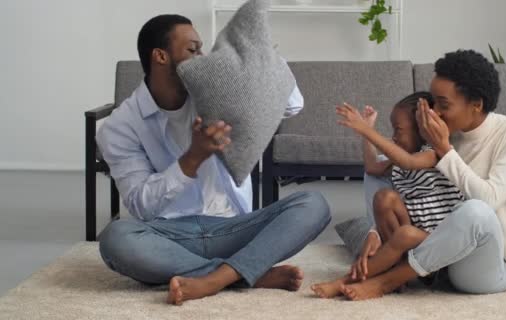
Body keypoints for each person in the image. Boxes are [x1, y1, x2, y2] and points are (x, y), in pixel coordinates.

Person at [96, 14, 331, 305]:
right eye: (192, 50)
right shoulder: (119, 126)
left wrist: (264, 57)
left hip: (233, 227)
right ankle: (247, 273)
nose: (202, 57)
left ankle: (215, 279)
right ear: (160, 56)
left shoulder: (218, 92)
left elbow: (292, 105)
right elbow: (142, 206)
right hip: (171, 236)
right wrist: (193, 157)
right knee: (115, 238)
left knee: (313, 204)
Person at [331, 49, 506, 301]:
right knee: (381, 174)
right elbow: (400, 171)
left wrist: (444, 149)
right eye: (432, 103)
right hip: (438, 257)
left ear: (476, 105)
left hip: (486, 266)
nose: (434, 113)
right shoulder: (444, 134)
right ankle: (390, 256)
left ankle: (387, 281)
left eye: (444, 105)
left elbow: (489, 200)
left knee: (476, 210)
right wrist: (375, 231)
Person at [311, 92, 464, 298]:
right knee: (384, 198)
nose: (393, 137)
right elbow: (373, 167)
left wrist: (364, 128)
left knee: (405, 234)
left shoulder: (435, 152)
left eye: (398, 130)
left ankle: (346, 280)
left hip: (440, 242)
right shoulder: (398, 163)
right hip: (413, 239)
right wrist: (367, 133)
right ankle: (397, 270)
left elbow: (408, 162)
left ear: (421, 130)